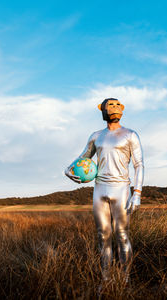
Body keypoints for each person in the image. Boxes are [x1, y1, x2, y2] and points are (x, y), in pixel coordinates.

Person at [65, 98, 144, 282]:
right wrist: (67, 170)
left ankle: (124, 279)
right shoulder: (96, 136)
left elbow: (139, 165)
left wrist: (137, 193)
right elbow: (83, 156)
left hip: (122, 189)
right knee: (103, 236)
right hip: (99, 190)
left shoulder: (130, 134)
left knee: (122, 235)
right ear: (102, 110)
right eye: (111, 105)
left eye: (118, 105)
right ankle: (106, 278)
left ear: (122, 109)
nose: (115, 107)